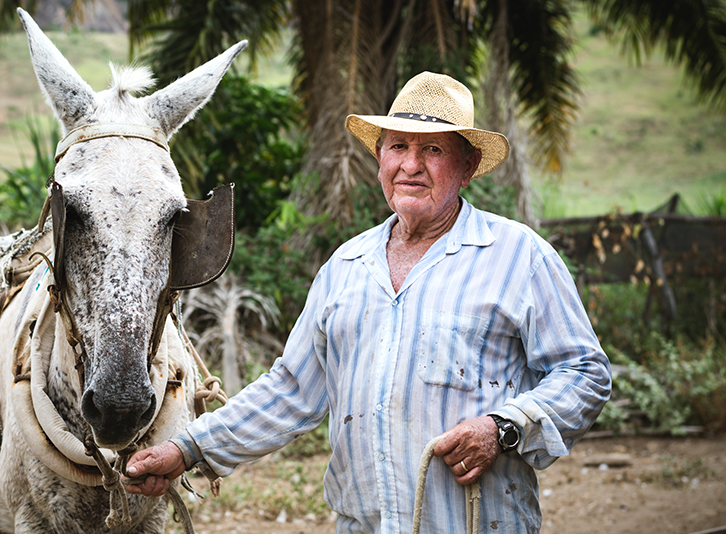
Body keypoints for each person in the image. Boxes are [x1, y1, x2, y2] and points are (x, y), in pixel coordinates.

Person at [124, 71, 612, 533]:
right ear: (380, 158)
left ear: (466, 169)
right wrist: (186, 450)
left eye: (434, 149)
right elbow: (291, 391)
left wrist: (502, 429)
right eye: (398, 146)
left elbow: (585, 374)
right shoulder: (347, 267)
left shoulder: (518, 256)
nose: (411, 165)